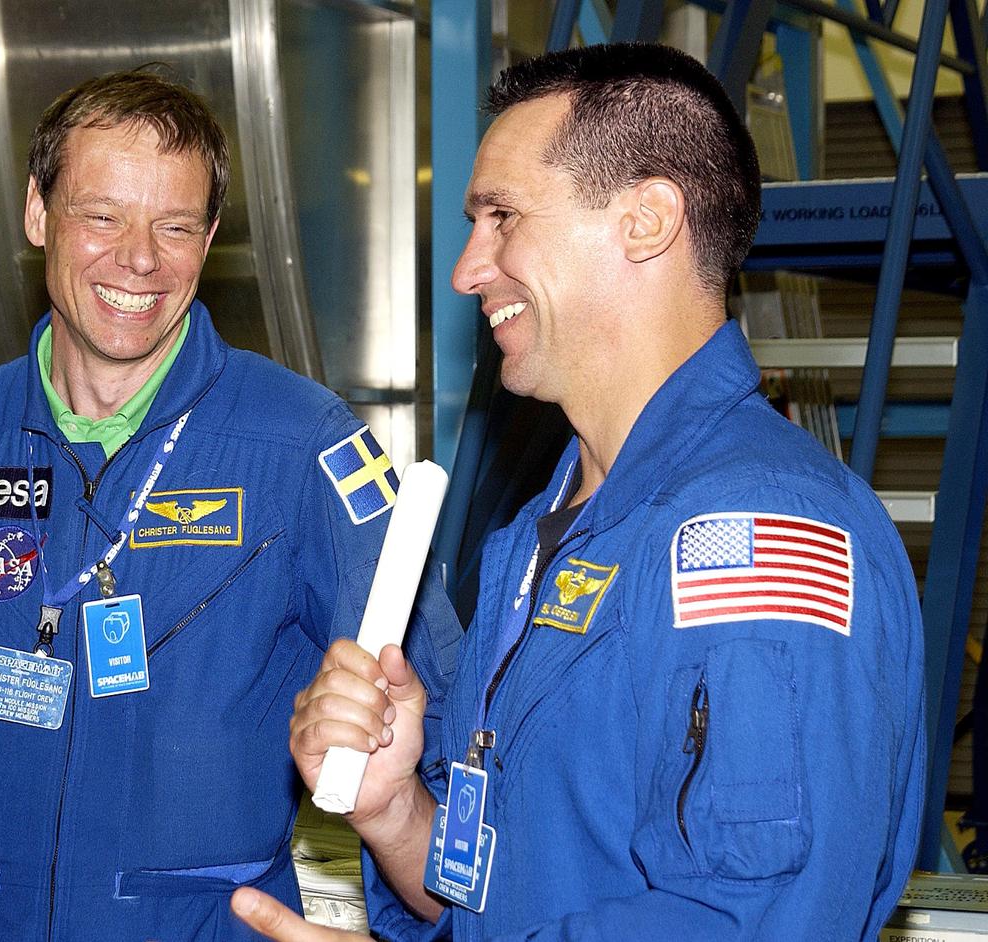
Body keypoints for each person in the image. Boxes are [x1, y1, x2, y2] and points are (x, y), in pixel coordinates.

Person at [231, 42, 926, 942]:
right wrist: (395, 810)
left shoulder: (752, 535)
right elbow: (497, 899)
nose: (467, 270)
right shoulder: (545, 531)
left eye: (503, 217)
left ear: (647, 220)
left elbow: (749, 922)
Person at [0, 67, 462, 941]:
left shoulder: (302, 449)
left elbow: (433, 729)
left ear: (208, 240)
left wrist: (435, 915)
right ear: (39, 214)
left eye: (174, 226)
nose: (140, 258)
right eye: (102, 216)